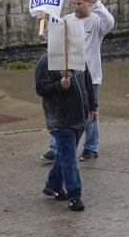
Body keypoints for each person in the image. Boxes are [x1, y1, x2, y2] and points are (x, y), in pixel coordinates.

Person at [41, 0, 115, 163]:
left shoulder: (97, 21)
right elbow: (52, 39)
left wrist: (96, 2)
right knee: (63, 111)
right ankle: (56, 147)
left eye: (80, 4)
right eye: (74, 4)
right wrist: (46, 22)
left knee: (90, 113)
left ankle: (91, 148)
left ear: (86, 3)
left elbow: (110, 22)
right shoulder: (67, 19)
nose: (76, 7)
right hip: (70, 74)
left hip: (91, 76)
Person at [35, 53, 97, 211]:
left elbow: (88, 83)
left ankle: (53, 185)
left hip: (79, 118)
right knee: (69, 157)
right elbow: (41, 88)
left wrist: (93, 107)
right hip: (60, 121)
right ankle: (74, 196)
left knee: (64, 154)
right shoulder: (46, 61)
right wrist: (59, 85)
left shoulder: (77, 57)